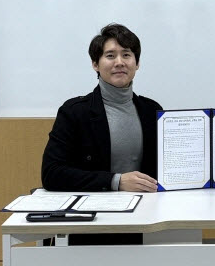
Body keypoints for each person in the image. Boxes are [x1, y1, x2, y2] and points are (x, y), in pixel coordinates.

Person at [41, 23, 161, 193]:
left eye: (126, 55)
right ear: (95, 64)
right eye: (110, 56)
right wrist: (116, 181)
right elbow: (51, 174)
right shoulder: (74, 112)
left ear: (137, 63)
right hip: (96, 204)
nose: (119, 62)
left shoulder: (152, 110)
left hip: (148, 203)